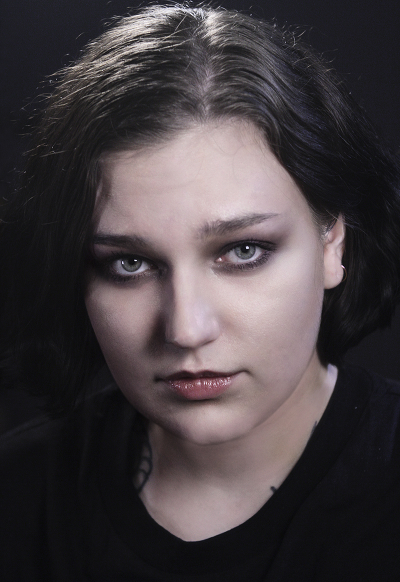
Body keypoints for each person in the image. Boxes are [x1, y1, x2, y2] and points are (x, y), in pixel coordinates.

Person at [1, 3, 400, 580]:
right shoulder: (18, 498)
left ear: (332, 243)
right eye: (130, 264)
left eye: (243, 251)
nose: (186, 329)